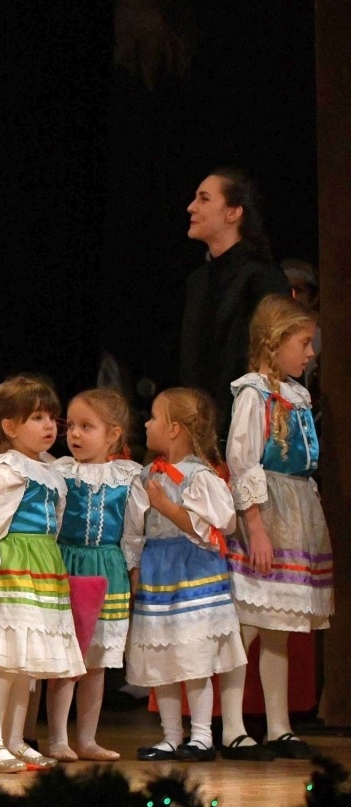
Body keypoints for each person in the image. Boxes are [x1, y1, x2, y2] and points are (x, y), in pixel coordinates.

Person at [0, 375, 84, 774]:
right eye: (37, 418)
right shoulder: (5, 469)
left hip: (41, 567)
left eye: (52, 418)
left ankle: (14, 740)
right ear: (9, 426)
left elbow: (54, 524)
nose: (49, 426)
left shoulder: (49, 470)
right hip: (10, 566)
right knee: (4, 661)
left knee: (25, 667)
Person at [219, 295, 332, 760]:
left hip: (295, 509)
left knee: (278, 626)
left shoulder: (296, 394)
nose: (310, 353)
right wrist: (256, 527)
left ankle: (279, 726)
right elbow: (243, 461)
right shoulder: (254, 393)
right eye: (303, 343)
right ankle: (231, 727)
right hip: (266, 512)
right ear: (275, 341)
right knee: (248, 622)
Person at [124, 388, 246, 761]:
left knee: (195, 656)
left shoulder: (199, 475)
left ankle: (202, 736)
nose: (146, 423)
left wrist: (166, 505)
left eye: (153, 417)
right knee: (163, 656)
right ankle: (171, 735)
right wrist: (134, 572)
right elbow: (134, 531)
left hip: (194, 571)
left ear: (174, 428)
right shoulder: (146, 475)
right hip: (158, 573)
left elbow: (218, 526)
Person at [46, 388, 144, 762]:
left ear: (113, 434)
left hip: (108, 569)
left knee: (97, 662)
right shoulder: (60, 472)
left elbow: (133, 531)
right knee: (65, 659)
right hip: (68, 564)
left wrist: (133, 572)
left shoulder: (128, 477)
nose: (74, 433)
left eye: (87, 426)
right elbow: (53, 523)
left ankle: (86, 739)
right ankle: (57, 738)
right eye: (71, 425)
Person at [178, 167, 290, 417]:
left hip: (247, 421)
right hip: (200, 424)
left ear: (233, 212)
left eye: (204, 199)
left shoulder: (263, 277)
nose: (191, 207)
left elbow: (275, 357)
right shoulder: (197, 281)